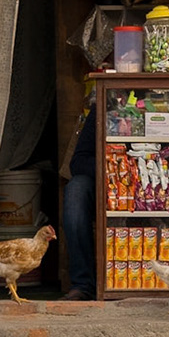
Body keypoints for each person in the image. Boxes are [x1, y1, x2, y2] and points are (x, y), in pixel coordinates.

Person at [58, 102, 97, 301]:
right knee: (75, 190)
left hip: (160, 181)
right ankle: (83, 283)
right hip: (107, 182)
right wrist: (111, 166)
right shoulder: (104, 107)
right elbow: (78, 162)